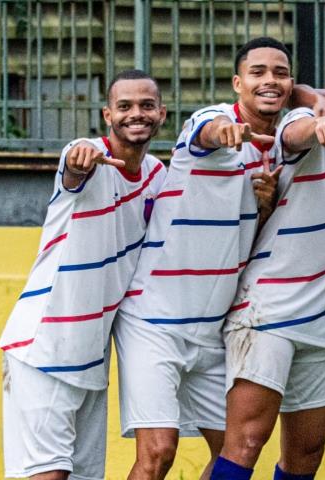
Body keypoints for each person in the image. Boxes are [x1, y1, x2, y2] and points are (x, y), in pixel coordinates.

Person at [113, 37, 298, 480]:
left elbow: (241, 242)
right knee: (158, 452)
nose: (269, 80)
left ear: (291, 83)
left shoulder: (277, 151)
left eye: (280, 72)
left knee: (236, 452)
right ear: (238, 82)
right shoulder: (212, 120)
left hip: (212, 330)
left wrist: (266, 206)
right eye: (258, 72)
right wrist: (225, 132)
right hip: (153, 322)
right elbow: (207, 131)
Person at [211, 32, 325, 480]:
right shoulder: (306, 120)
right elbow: (292, 133)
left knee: (307, 454)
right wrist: (319, 122)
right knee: (246, 441)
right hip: (269, 312)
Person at [0, 69, 167, 480]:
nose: (136, 114)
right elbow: (74, 164)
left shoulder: (159, 176)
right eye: (124, 106)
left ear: (162, 114)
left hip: (93, 358)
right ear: (107, 115)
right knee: (47, 474)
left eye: (146, 105)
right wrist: (78, 161)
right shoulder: (90, 154)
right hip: (44, 350)